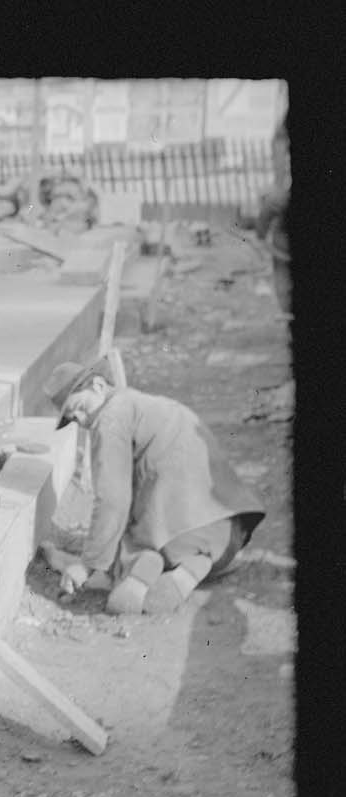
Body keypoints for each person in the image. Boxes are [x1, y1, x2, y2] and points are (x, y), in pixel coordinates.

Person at [42, 358, 265, 615]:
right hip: (228, 534)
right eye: (73, 418)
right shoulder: (148, 405)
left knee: (125, 540)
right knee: (180, 528)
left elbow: (113, 501)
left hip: (173, 537)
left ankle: (139, 569)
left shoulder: (110, 419)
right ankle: (191, 570)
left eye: (79, 408)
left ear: (99, 385)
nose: (81, 419)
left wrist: (88, 564)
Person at [256, 112, 290, 316]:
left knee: (284, 284)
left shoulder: (281, 193)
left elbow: (273, 204)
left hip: (284, 245)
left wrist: (260, 233)